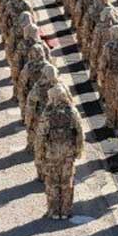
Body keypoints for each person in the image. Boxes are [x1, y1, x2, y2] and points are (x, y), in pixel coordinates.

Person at [38, 86, 85, 218]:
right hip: (68, 152)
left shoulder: (47, 114)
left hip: (52, 153)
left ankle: (53, 211)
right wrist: (78, 149)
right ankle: (65, 211)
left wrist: (40, 154)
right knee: (66, 181)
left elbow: (41, 136)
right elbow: (80, 132)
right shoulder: (72, 111)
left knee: (52, 182)